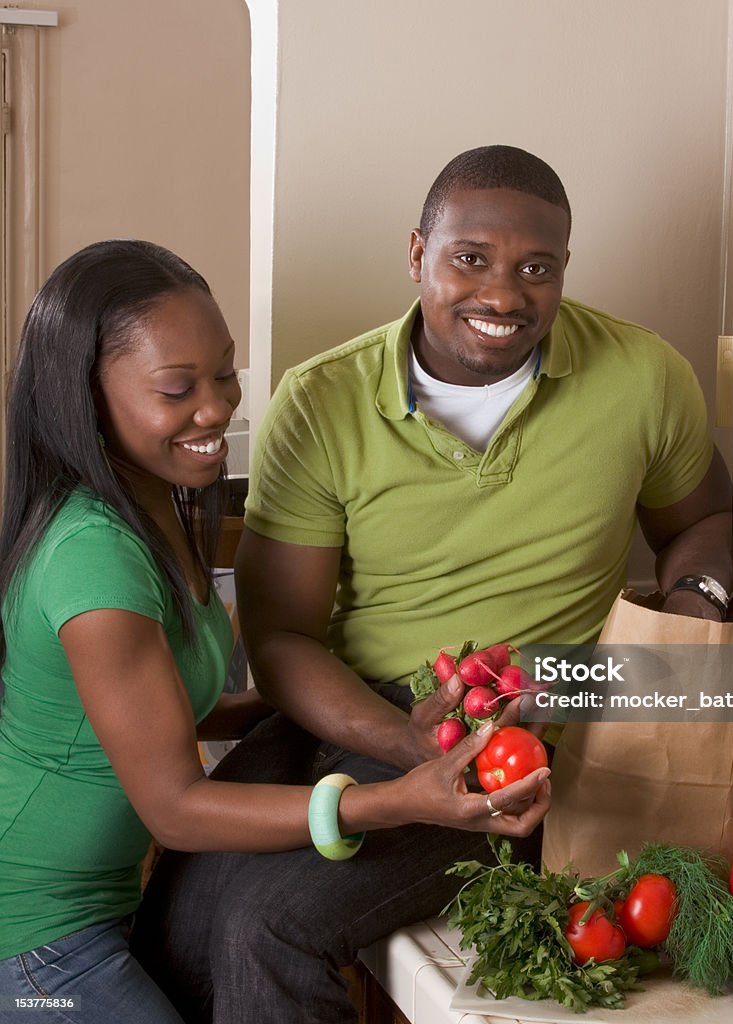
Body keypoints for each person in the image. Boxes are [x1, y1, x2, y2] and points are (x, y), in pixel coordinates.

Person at [131, 145, 733, 1024]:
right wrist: (405, 742)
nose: (502, 294)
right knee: (175, 926)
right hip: (349, 712)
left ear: (564, 271)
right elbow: (284, 636)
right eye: (471, 259)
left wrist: (687, 626)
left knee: (268, 929)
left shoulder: (645, 377)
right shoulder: (324, 399)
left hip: (530, 739)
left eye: (537, 268)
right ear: (418, 254)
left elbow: (702, 526)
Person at [0, 240, 550, 1024]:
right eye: (177, 389)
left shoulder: (154, 500)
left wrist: (321, 714)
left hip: (92, 921)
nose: (218, 407)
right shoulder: (93, 559)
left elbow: (146, 718)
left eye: (224, 373)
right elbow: (176, 809)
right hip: (32, 950)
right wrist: (390, 801)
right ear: (89, 400)